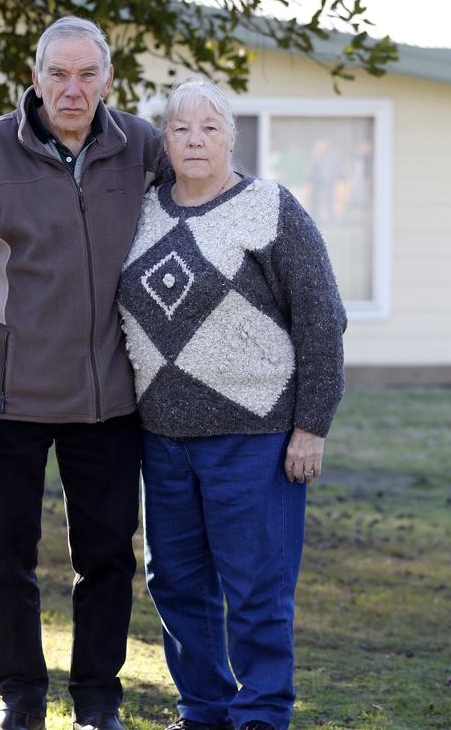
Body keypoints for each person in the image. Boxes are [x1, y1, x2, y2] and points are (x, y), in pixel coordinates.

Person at [0, 16, 161, 730]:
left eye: (88, 73)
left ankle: (97, 700)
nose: (72, 88)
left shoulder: (143, 148)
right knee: (6, 557)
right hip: (7, 397)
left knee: (108, 559)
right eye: (58, 73)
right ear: (34, 79)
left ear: (109, 81)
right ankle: (21, 697)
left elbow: (198, 219)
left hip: (110, 398)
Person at [117, 76, 347, 730]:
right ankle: (204, 709)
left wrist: (311, 425)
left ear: (231, 137)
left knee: (255, 588)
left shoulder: (271, 207)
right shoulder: (142, 209)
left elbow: (321, 319)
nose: (194, 139)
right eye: (181, 128)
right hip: (160, 438)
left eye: (209, 127)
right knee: (177, 585)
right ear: (164, 140)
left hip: (257, 434)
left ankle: (262, 713)